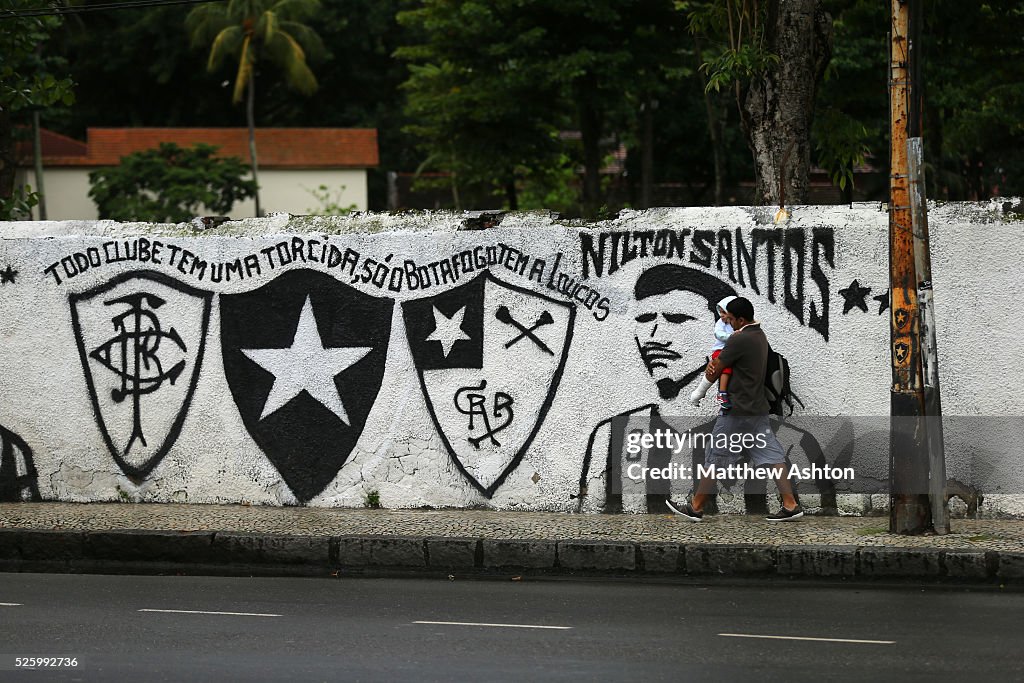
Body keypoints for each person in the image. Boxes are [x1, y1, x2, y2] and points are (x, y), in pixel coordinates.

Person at [578, 264, 737, 514]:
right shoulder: (611, 434)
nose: (654, 335)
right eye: (644, 319)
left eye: (677, 319)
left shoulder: (787, 440)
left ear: (721, 332)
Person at [666, 296, 805, 522]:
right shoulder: (760, 335)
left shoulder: (738, 340)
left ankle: (696, 507)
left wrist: (707, 378)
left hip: (738, 410)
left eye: (730, 319)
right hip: (756, 409)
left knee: (716, 457)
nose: (727, 323)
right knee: (771, 454)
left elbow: (714, 371)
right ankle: (790, 505)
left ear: (741, 319)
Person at [688, 295, 736, 408]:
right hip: (720, 350)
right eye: (720, 313)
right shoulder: (721, 323)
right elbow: (718, 334)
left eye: (724, 313)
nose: (721, 316)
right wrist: (732, 337)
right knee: (726, 370)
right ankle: (722, 393)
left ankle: (702, 393)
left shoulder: (736, 323)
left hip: (730, 351)